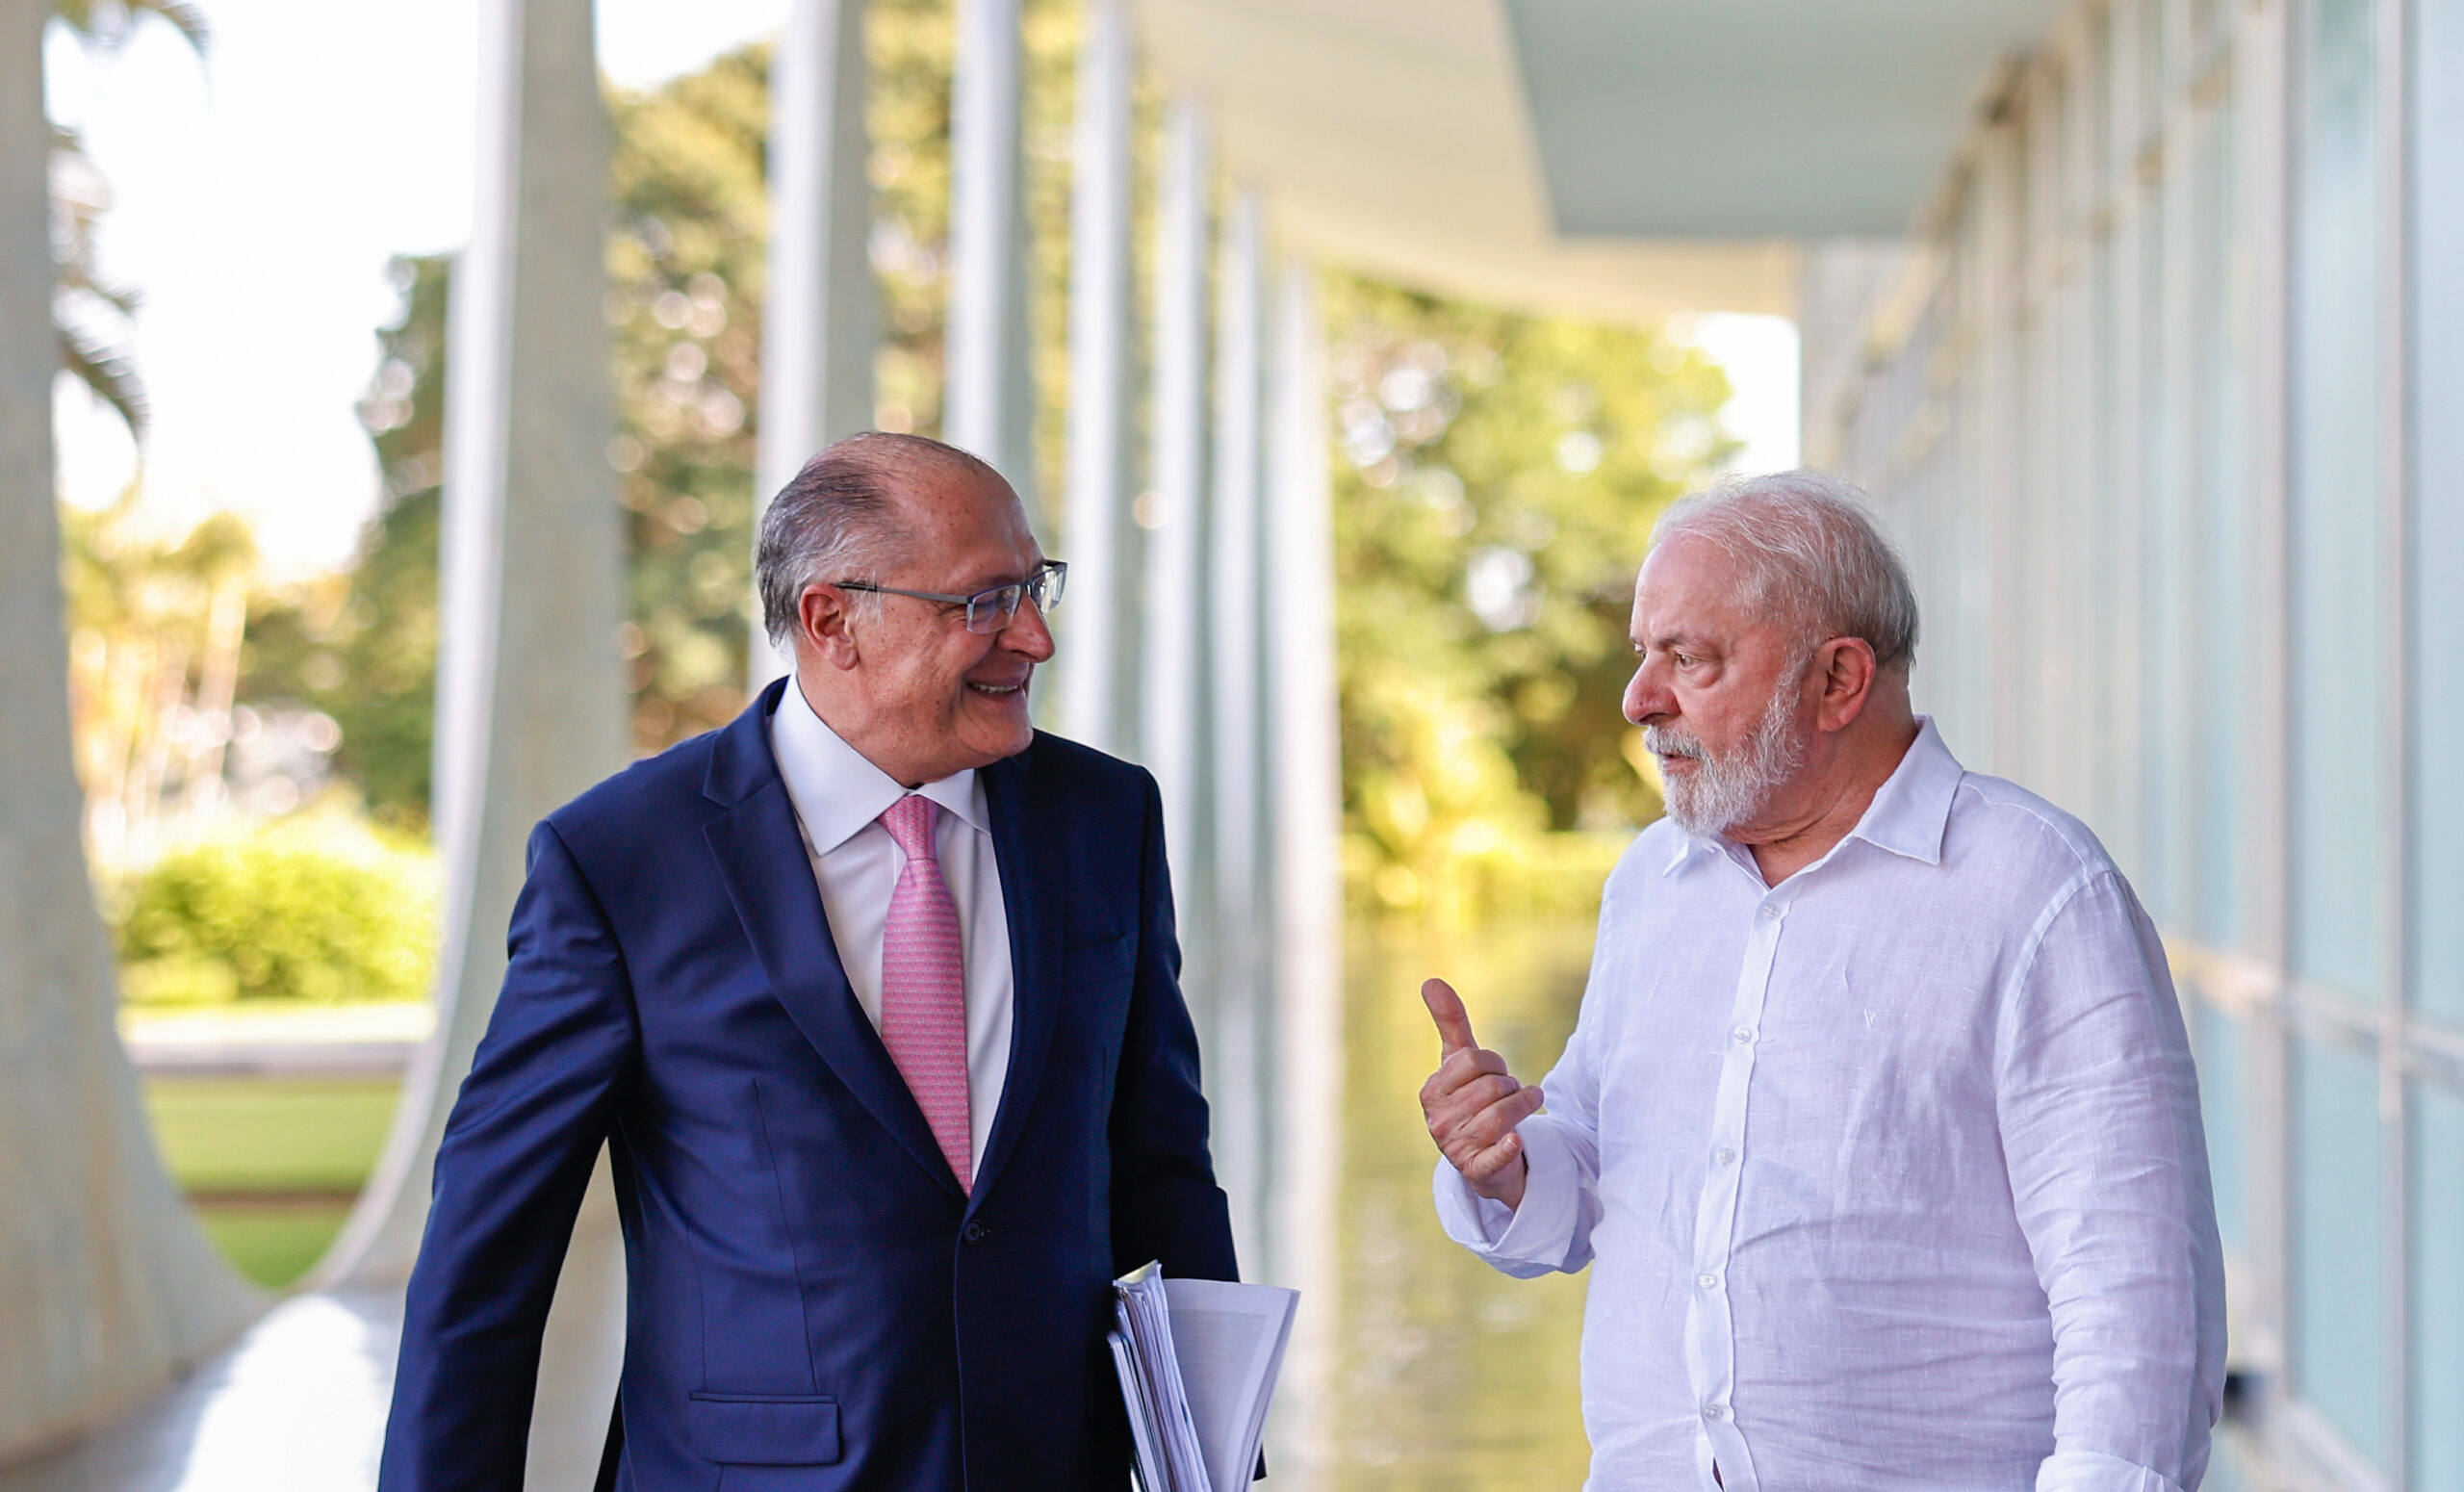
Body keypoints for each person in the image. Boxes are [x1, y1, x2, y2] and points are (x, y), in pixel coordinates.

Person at [380, 432, 1238, 1491]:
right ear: (834, 620)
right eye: (983, 602)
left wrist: (1212, 1463)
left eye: (1034, 586)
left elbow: (1163, 1168)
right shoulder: (621, 859)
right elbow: (488, 1255)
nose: (1035, 636)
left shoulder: (1105, 816)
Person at [1419, 471, 2224, 1492]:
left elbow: (2136, 1299)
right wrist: (1504, 1161)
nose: (1638, 700)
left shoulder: (2037, 892)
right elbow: (1597, 1177)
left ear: (1838, 679)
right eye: (1643, 654)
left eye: (1688, 658)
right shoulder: (1651, 883)